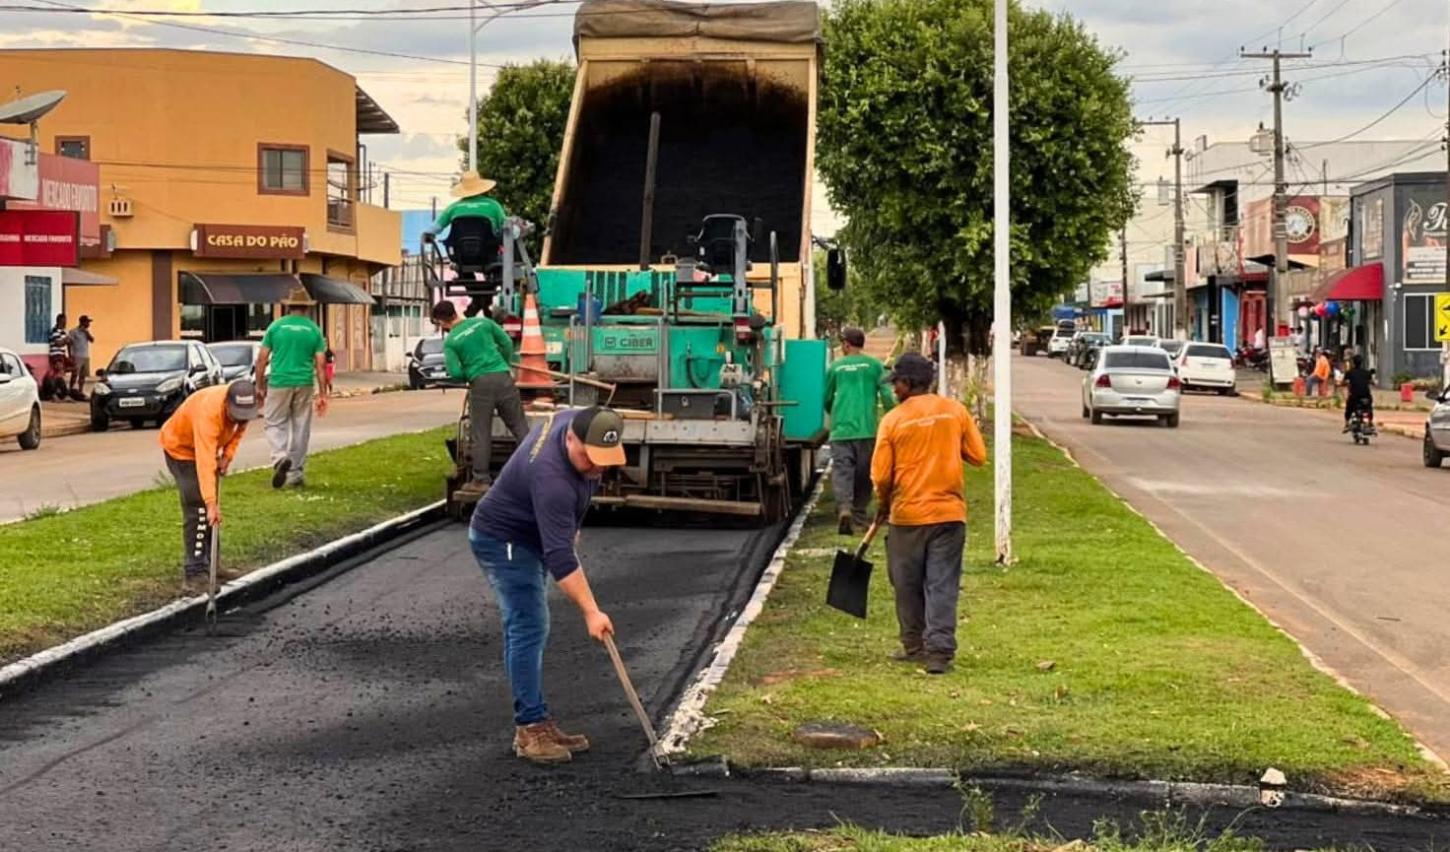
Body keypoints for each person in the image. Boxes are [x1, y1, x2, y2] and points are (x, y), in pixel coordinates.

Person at [468, 406, 626, 764]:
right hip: (504, 539)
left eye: (606, 459)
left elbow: (577, 497)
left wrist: (570, 526)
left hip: (531, 532)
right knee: (528, 624)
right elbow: (560, 558)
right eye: (589, 457)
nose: (598, 467)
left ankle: (535, 720)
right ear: (571, 438)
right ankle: (530, 730)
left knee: (526, 625)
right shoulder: (552, 478)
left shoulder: (579, 424)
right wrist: (592, 612)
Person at [871, 352, 987, 676]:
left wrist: (883, 503)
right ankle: (939, 653)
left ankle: (915, 645)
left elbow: (881, 476)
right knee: (942, 583)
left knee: (905, 583)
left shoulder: (892, 421)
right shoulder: (955, 411)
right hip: (949, 515)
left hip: (907, 517)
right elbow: (978, 455)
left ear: (908, 384)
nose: (894, 389)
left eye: (896, 383)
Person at [159, 380, 260, 593]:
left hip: (207, 450)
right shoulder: (209, 414)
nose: (239, 419)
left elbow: (240, 428)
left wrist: (227, 456)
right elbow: (204, 460)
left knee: (209, 511)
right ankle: (194, 571)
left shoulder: (243, 406)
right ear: (226, 404)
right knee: (198, 507)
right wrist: (211, 502)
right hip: (181, 451)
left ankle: (213, 563)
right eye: (234, 414)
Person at [432, 300, 529, 497]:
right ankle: (536, 470)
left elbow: (455, 372)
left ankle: (481, 480)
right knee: (519, 427)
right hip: (503, 378)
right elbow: (507, 343)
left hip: (480, 385)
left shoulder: (451, 341)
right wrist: (502, 362)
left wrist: (471, 374)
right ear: (456, 312)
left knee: (481, 432)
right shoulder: (484, 323)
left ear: (442, 322)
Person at [256, 288, 329, 489]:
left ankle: (280, 458)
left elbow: (262, 359)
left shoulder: (275, 327)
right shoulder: (314, 330)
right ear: (306, 308)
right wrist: (323, 393)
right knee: (301, 427)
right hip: (304, 382)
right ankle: (295, 473)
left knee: (274, 423)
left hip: (279, 382)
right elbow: (321, 364)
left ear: (288, 306)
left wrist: (259, 386)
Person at [824, 327, 894, 534]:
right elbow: (887, 396)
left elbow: (827, 397)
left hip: (841, 430)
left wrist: (834, 413)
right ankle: (860, 516)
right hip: (867, 430)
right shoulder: (875, 366)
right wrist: (893, 416)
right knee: (864, 474)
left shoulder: (835, 367)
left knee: (842, 470)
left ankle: (844, 509)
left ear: (846, 344)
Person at [425, 171, 507, 241]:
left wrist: (427, 234)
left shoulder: (453, 208)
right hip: (489, 253)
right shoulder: (493, 205)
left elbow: (435, 227)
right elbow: (506, 225)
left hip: (460, 255)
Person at [1341, 354, 1375, 432]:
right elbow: (1372, 382)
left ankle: (1346, 424)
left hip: (1354, 396)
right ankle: (1370, 422)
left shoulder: (1350, 372)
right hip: (1366, 395)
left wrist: (1342, 384)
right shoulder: (1366, 373)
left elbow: (1343, 382)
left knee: (1349, 408)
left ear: (1353, 363)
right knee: (1369, 408)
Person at [67, 315, 95, 398]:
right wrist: (70, 355)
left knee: (83, 375)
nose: (88, 324)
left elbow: (92, 340)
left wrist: (86, 332)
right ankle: (71, 389)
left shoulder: (86, 332)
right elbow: (69, 343)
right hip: (77, 356)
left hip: (85, 356)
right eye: (87, 322)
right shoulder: (73, 331)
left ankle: (80, 390)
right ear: (82, 322)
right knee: (75, 374)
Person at [47, 313, 69, 399]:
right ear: (60, 321)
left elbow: (67, 343)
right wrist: (65, 340)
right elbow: (58, 343)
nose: (65, 322)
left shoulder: (63, 332)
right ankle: (55, 393)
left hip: (62, 355)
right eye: (64, 320)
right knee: (59, 374)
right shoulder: (54, 331)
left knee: (62, 373)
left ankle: (58, 392)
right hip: (56, 355)